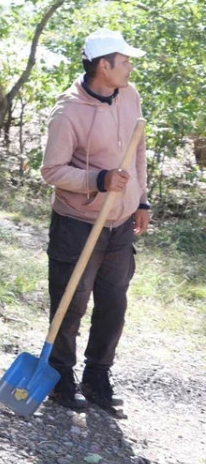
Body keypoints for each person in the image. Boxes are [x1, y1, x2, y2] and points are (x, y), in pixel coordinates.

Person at [40, 28, 149, 417]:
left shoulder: (129, 95)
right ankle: (59, 377)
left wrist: (142, 199)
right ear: (104, 66)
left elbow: (138, 150)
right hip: (78, 223)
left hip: (121, 223)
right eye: (125, 61)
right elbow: (52, 171)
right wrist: (99, 180)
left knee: (113, 304)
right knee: (71, 303)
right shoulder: (68, 112)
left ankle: (97, 376)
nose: (130, 67)